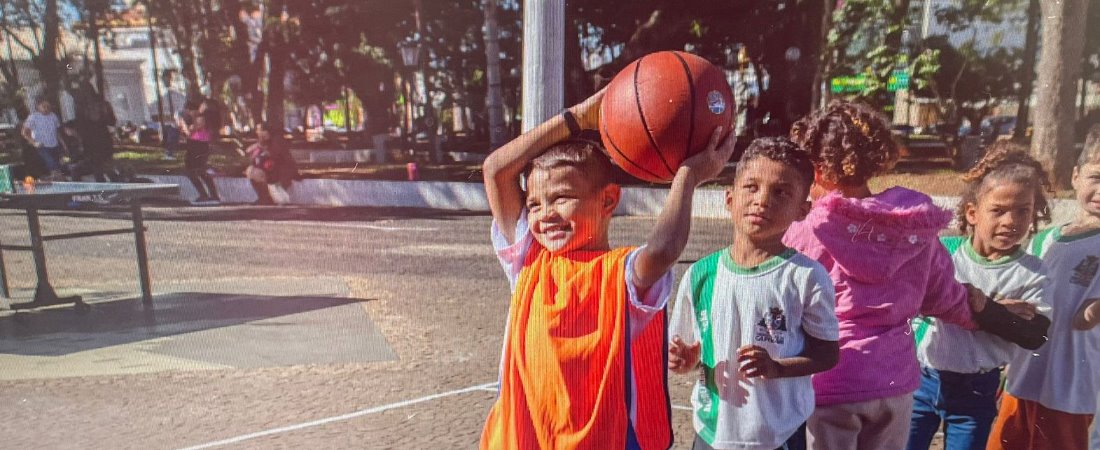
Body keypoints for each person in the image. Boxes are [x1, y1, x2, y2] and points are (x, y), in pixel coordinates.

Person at [478, 89, 736, 450]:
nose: (545, 214)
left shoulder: (622, 275)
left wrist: (688, 176)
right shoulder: (529, 262)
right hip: (523, 439)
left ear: (609, 200)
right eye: (534, 204)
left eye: (562, 198)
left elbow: (664, 249)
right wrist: (578, 117)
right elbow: (495, 170)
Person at [782, 100, 1041, 450]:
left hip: (833, 381)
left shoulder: (808, 229)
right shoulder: (911, 227)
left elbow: (781, 294)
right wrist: (990, 313)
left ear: (817, 168)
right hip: (895, 383)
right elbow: (945, 298)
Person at [668, 137, 840, 450]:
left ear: (802, 210)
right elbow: (689, 354)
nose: (763, 200)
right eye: (752, 187)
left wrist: (777, 368)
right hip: (711, 432)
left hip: (778, 434)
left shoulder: (806, 276)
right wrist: (686, 361)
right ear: (730, 198)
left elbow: (827, 354)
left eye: (781, 192)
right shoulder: (700, 275)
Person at [907, 142, 1053, 450]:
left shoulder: (1033, 273)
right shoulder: (944, 253)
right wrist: (997, 312)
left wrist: (988, 309)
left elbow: (1033, 335)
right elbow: (912, 300)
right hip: (922, 379)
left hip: (976, 391)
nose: (1011, 222)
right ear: (973, 213)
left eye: (1022, 211)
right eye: (998, 211)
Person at [986, 126, 1100, 450]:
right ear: (1076, 176)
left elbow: (1084, 319)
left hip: (1071, 389)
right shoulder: (1045, 238)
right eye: (1097, 177)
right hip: (1022, 378)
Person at [244, 122, 298, 205]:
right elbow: (251, 155)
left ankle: (266, 198)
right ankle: (263, 197)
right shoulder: (260, 145)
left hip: (281, 173)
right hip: (270, 172)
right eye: (258, 130)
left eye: (262, 130)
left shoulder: (277, 142)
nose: (259, 133)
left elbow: (277, 159)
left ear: (268, 132)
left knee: (256, 172)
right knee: (251, 171)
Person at [181, 98, 220, 204]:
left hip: (199, 145)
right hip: (194, 145)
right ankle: (206, 194)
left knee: (199, 171)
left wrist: (184, 124)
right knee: (193, 171)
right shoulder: (198, 118)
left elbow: (190, 132)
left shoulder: (201, 118)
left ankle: (210, 195)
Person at [75, 92, 118, 182]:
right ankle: (113, 182)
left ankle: (108, 184)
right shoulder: (101, 105)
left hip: (95, 141)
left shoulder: (83, 107)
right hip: (99, 141)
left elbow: (80, 127)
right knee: (103, 165)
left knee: (100, 166)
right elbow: (112, 122)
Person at [21, 98, 68, 180]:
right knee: (52, 164)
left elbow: (57, 132)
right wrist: (34, 142)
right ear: (38, 106)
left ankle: (58, 182)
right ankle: (60, 179)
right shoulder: (33, 117)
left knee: (58, 165)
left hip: (54, 145)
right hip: (42, 146)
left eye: (48, 106)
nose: (46, 108)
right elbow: (24, 132)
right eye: (44, 106)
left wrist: (64, 144)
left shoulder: (53, 116)